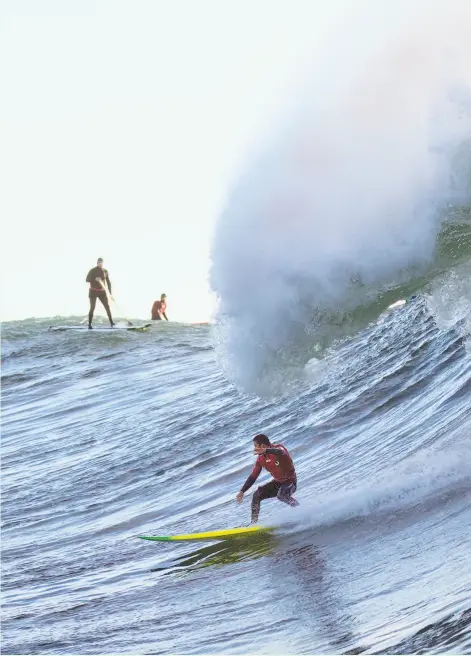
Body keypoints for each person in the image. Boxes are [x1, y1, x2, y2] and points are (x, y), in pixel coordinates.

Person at [236, 434, 299, 524]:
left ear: (262, 446)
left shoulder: (279, 448)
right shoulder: (260, 459)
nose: (254, 449)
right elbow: (253, 476)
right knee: (256, 495)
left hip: (290, 482)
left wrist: (266, 450)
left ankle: (299, 508)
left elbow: (281, 452)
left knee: (281, 495)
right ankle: (253, 524)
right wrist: (242, 491)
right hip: (277, 483)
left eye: (255, 446)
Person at [85, 258, 115, 329]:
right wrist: (94, 279)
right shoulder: (92, 271)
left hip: (102, 292)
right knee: (92, 308)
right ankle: (89, 324)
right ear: (97, 263)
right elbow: (87, 279)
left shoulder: (105, 271)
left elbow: (108, 282)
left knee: (107, 307)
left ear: (103, 263)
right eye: (99, 262)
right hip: (93, 292)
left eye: (101, 262)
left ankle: (112, 323)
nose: (100, 264)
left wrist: (110, 293)